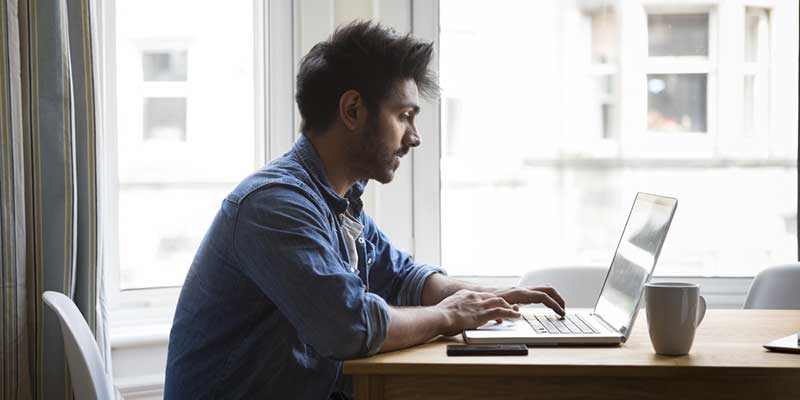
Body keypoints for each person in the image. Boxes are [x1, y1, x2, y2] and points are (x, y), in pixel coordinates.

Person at [164, 21, 566, 400]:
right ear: (352, 110)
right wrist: (450, 316)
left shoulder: (336, 199)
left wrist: (482, 297)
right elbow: (350, 326)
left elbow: (403, 277)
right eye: (404, 116)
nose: (415, 137)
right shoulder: (275, 206)